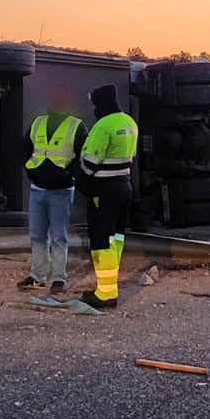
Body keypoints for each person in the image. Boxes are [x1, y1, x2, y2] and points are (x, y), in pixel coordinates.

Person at [18, 83, 87, 294]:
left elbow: (82, 156)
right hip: (38, 189)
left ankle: (58, 278)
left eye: (60, 96)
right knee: (37, 235)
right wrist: (30, 168)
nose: (56, 99)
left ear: (67, 100)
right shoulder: (38, 122)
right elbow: (24, 148)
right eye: (53, 95)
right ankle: (37, 276)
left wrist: (68, 175)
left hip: (61, 191)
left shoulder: (77, 126)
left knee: (58, 236)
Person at [74, 83, 138, 310]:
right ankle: (110, 286)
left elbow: (90, 163)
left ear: (99, 104)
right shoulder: (129, 122)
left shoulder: (103, 126)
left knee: (101, 240)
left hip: (103, 191)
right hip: (124, 186)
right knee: (116, 239)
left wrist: (79, 177)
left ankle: (105, 293)